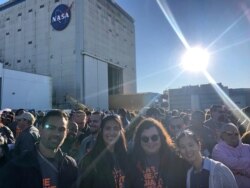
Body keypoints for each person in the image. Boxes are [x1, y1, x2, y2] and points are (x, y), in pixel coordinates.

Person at [0, 110, 78, 188]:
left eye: (61, 129)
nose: (56, 133)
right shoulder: (18, 165)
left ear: (66, 133)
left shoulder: (70, 165)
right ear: (40, 129)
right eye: (50, 127)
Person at [127, 118, 188, 188]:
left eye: (154, 137)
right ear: (139, 141)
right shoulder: (130, 163)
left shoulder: (177, 161)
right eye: (145, 139)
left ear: (161, 138)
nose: (150, 142)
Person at [77, 114, 129, 188]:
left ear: (120, 132)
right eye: (108, 128)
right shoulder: (90, 160)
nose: (112, 132)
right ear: (101, 131)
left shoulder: (125, 156)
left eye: (116, 128)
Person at [212, 122, 250, 188]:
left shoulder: (247, 147)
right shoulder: (217, 149)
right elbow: (228, 163)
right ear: (222, 135)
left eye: (236, 134)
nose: (233, 136)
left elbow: (234, 164)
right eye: (229, 133)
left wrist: (238, 168)